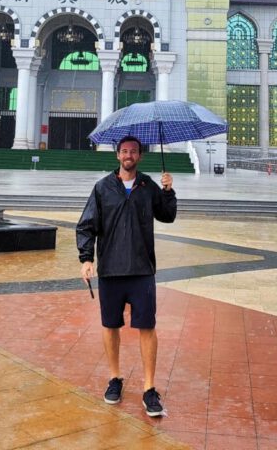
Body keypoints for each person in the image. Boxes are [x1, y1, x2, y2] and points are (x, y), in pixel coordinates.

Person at [76, 135, 177, 417]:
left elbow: (167, 216)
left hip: (142, 269)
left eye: (133, 151)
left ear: (140, 156)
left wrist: (169, 192)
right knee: (111, 326)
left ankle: (149, 388)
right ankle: (115, 378)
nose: (128, 155)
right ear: (117, 156)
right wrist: (86, 259)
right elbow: (86, 225)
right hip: (110, 269)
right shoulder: (103, 187)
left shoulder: (148, 186)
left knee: (147, 326)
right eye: (124, 151)